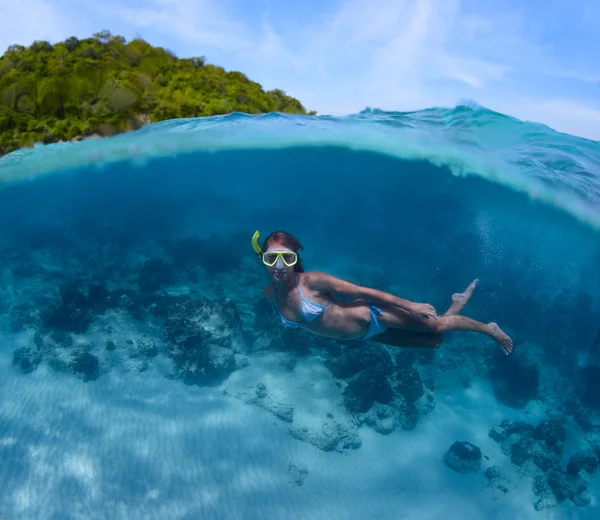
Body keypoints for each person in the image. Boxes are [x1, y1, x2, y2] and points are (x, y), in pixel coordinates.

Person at [252, 230, 513, 355]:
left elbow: (361, 290)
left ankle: (489, 328)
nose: (278, 266)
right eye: (270, 259)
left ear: (295, 259)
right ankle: (456, 303)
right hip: (363, 336)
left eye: (285, 259)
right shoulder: (269, 293)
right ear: (262, 259)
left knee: (437, 328)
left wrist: (409, 305)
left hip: (372, 317)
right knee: (433, 341)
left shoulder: (312, 281)